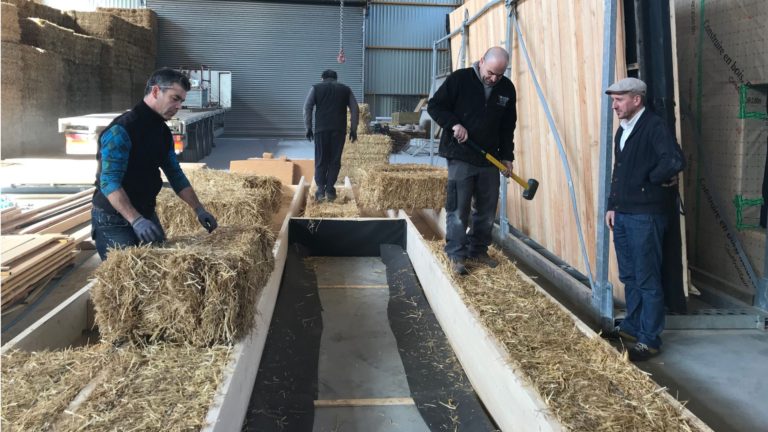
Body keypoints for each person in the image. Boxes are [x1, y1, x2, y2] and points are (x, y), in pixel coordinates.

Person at [91, 68, 218, 261]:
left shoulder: (162, 132)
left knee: (161, 268)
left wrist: (198, 209)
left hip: (144, 212)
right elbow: (109, 182)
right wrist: (135, 220)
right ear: (156, 91)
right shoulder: (122, 130)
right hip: (114, 219)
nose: (178, 106)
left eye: (181, 101)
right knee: (128, 277)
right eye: (174, 98)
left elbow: (175, 175)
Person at [603, 77, 685, 361]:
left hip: (645, 216)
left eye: (619, 99)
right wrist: (612, 205)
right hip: (624, 214)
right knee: (630, 276)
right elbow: (619, 171)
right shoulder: (622, 131)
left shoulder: (653, 126)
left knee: (647, 278)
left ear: (636, 100)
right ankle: (632, 327)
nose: (615, 105)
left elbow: (674, 161)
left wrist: (649, 181)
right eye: (613, 100)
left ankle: (649, 339)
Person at [427, 46, 517, 275]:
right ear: (481, 61)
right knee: (459, 206)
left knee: (486, 209)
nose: (494, 78)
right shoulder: (460, 79)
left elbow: (508, 126)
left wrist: (507, 156)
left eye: (500, 74)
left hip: (490, 158)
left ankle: (478, 249)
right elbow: (435, 106)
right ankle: (456, 254)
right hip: (461, 154)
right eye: (491, 72)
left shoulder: (507, 89)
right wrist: (454, 124)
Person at [303, 69, 359, 202]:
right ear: (336, 78)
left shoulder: (316, 88)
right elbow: (355, 109)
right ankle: (330, 189)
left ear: (322, 78)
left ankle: (320, 190)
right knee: (334, 160)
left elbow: (307, 107)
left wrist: (308, 127)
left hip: (321, 130)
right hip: (339, 131)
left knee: (321, 159)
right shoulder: (346, 90)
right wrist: (353, 129)